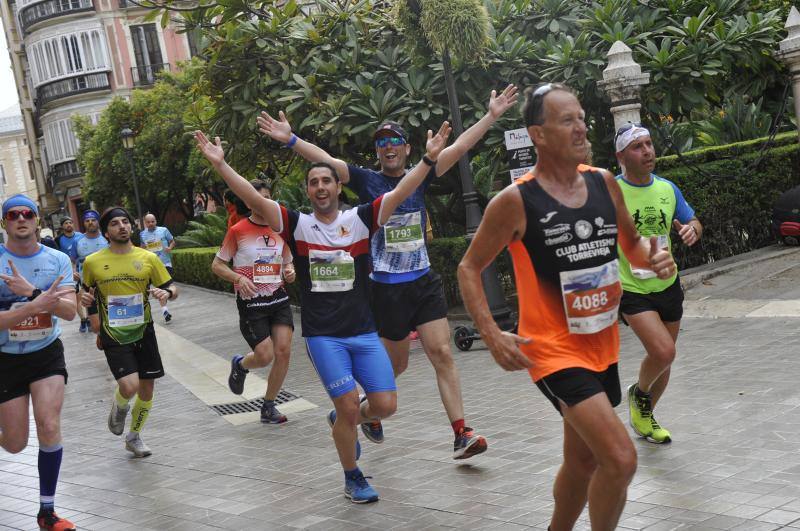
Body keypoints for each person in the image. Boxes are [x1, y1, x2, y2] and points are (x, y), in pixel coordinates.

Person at [457, 84, 676, 531]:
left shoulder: (603, 182)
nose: (581, 127)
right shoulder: (517, 201)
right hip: (553, 352)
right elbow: (468, 267)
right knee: (619, 458)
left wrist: (652, 260)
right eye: (566, 120)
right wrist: (491, 333)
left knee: (581, 462)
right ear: (537, 133)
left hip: (602, 346)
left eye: (581, 117)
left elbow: (632, 248)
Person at [257, 85, 518, 459]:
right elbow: (325, 160)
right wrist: (291, 139)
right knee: (397, 364)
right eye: (382, 143)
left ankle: (462, 433)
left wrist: (491, 115)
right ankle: (360, 409)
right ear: (378, 151)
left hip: (423, 281)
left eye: (395, 140)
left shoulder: (422, 171)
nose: (388, 147)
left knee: (442, 352)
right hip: (386, 288)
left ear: (408, 149)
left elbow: (458, 148)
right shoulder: (366, 180)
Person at [195, 121, 450, 503]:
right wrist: (221, 166)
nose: (320, 187)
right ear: (309, 191)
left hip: (364, 332)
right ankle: (353, 477)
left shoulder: (361, 220)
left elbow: (403, 190)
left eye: (326, 181)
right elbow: (254, 198)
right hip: (324, 336)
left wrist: (430, 158)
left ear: (336, 187)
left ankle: (343, 425)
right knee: (348, 407)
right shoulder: (297, 225)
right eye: (313, 183)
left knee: (384, 405)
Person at [613, 124, 702, 444]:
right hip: (632, 287)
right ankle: (639, 394)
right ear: (621, 156)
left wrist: (693, 229)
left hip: (668, 283)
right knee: (662, 352)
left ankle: (645, 413)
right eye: (638, 146)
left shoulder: (667, 188)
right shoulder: (613, 191)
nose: (648, 150)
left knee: (667, 357)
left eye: (649, 144)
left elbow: (692, 219)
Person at [0, 194, 77, 531]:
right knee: (16, 444)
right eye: (13, 214)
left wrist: (32, 294)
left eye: (27, 213)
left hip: (46, 352)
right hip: (5, 357)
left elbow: (70, 312)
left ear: (36, 219)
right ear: (4, 223)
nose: (21, 218)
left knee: (48, 425)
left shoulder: (58, 259)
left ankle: (47, 511)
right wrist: (32, 308)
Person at [80, 207, 178, 458]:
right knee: (130, 385)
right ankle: (120, 405)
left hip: (144, 330)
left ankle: (134, 436)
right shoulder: (93, 262)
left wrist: (167, 293)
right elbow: (87, 296)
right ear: (106, 231)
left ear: (132, 227)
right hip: (113, 332)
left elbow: (172, 288)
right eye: (115, 223)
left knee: (147, 388)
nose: (122, 226)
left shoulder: (148, 258)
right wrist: (94, 322)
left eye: (125, 221)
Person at [211, 178, 297, 423]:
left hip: (278, 298)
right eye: (260, 197)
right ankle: (241, 365)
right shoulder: (238, 231)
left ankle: (269, 406)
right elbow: (217, 265)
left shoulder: (281, 229)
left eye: (269, 197)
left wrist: (290, 270)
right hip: (252, 303)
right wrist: (238, 278)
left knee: (283, 352)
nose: (266, 202)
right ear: (250, 201)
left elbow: (287, 259)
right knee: (265, 355)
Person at [75, 210, 109, 334]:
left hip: (108, 281)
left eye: (93, 220)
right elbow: (73, 260)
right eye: (87, 221)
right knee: (95, 324)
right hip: (88, 285)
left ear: (98, 222)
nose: (90, 223)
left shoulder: (107, 238)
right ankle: (100, 335)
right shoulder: (78, 241)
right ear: (83, 223)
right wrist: (73, 274)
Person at [139, 214, 177, 323]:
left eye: (153, 221)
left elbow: (172, 241)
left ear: (156, 221)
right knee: (154, 289)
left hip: (165, 263)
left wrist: (169, 248)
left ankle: (164, 310)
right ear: (145, 223)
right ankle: (164, 310)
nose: (151, 224)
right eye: (148, 222)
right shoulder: (142, 234)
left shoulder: (164, 230)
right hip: (150, 265)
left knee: (165, 287)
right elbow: (142, 249)